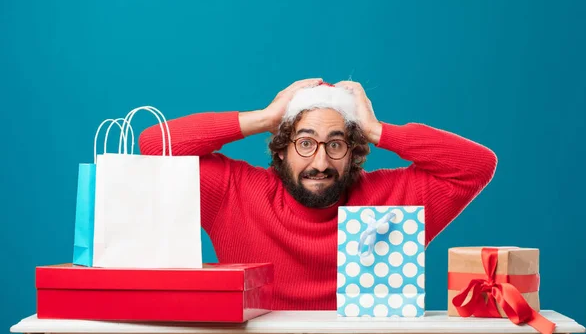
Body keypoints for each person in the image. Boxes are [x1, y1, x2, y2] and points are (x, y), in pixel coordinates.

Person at [139, 78, 498, 310]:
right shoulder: (233, 192)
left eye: (336, 144)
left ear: (355, 150)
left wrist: (377, 129)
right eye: (306, 143)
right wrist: (264, 118)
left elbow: (477, 165)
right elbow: (153, 145)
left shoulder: (393, 199)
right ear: (281, 149)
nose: (321, 162)